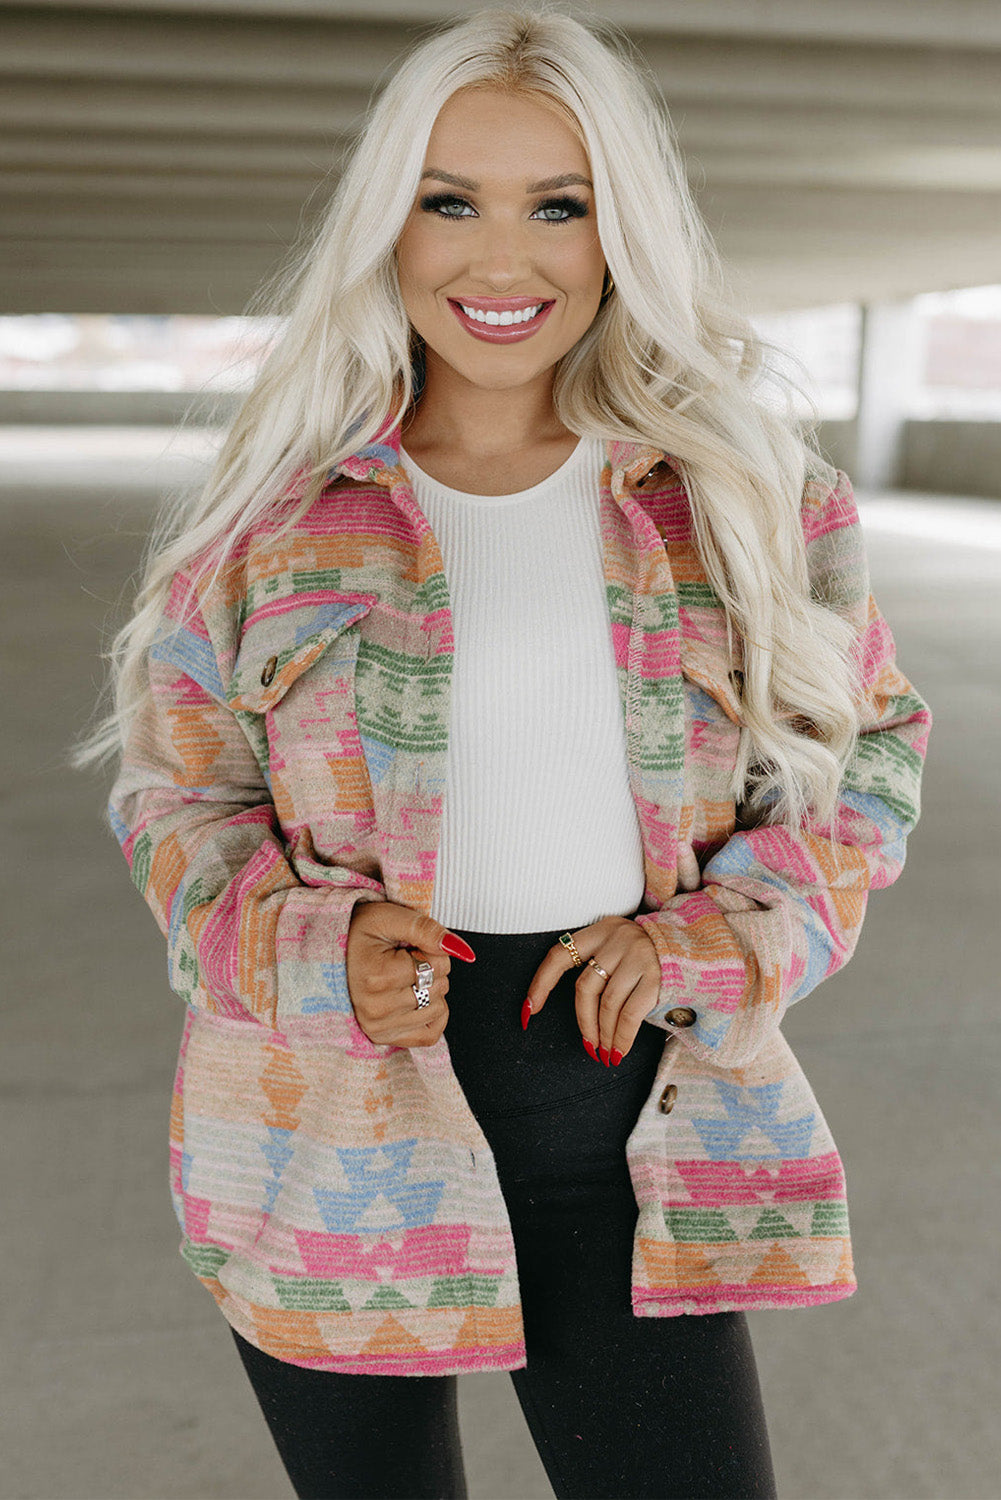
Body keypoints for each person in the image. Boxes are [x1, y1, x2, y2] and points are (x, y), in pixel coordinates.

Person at [76, 8, 931, 1498]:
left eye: (559, 206)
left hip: (621, 1091)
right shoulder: (272, 515)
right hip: (326, 1102)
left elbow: (868, 755)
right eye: (448, 200)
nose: (498, 260)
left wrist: (726, 941)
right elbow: (178, 790)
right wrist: (301, 944)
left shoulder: (738, 494)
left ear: (621, 234)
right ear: (386, 221)